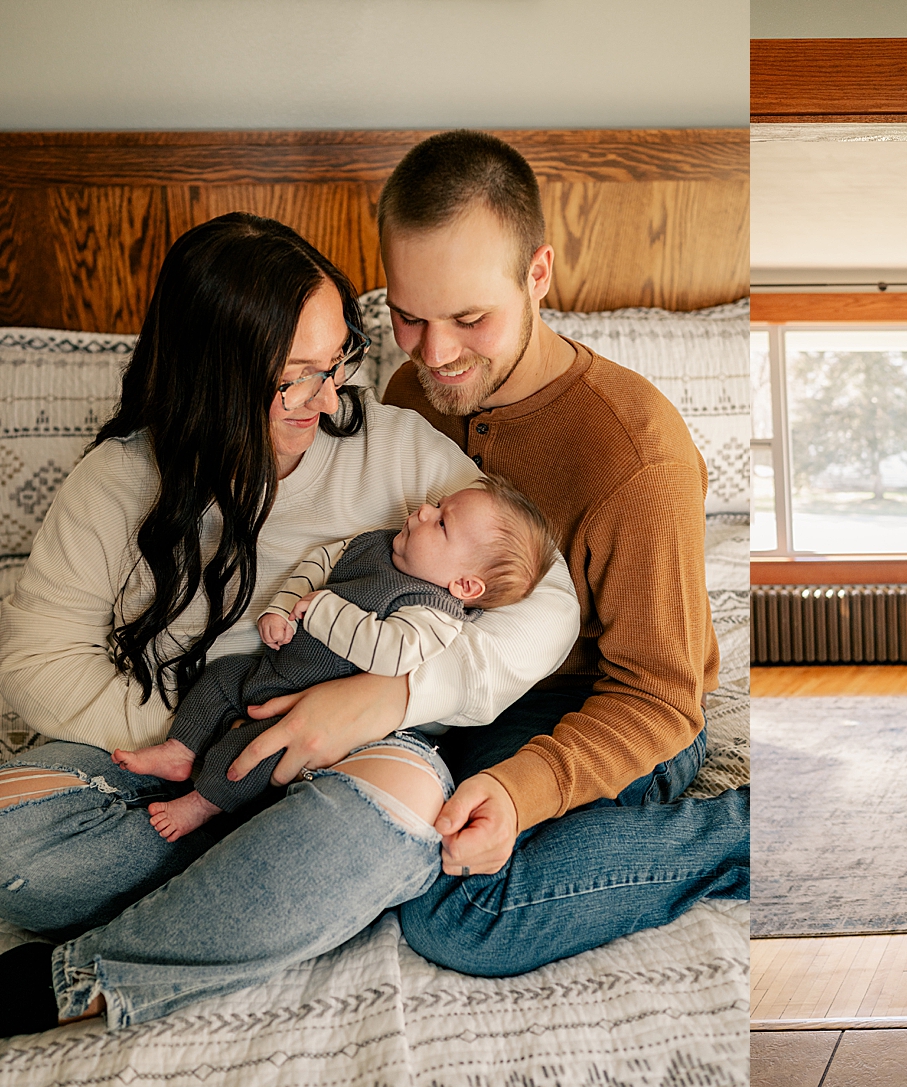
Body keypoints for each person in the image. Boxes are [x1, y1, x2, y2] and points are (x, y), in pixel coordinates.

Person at [0, 212, 581, 1035]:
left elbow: (547, 601)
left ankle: (81, 976)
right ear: (215, 376)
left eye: (338, 357)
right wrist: (215, 743)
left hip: (342, 757)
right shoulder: (119, 480)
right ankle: (264, 883)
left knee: (398, 814)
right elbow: (36, 659)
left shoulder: (396, 451)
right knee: (13, 853)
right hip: (164, 750)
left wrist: (385, 699)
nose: (332, 392)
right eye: (296, 375)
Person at [368, 130, 750, 976]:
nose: (434, 354)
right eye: (408, 316)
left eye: (470, 317)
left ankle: (742, 833)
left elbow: (662, 698)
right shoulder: (409, 393)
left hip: (607, 707)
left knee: (463, 910)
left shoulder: (633, 451)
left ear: (538, 275)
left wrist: (520, 788)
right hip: (453, 684)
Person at [112, 476, 555, 841]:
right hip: (273, 666)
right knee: (219, 678)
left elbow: (390, 653)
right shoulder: (378, 545)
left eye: (441, 524)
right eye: (436, 505)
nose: (422, 511)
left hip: (311, 700)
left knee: (254, 751)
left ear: (465, 586)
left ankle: (202, 804)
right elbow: (320, 562)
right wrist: (281, 608)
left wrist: (324, 609)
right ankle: (180, 749)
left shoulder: (435, 613)